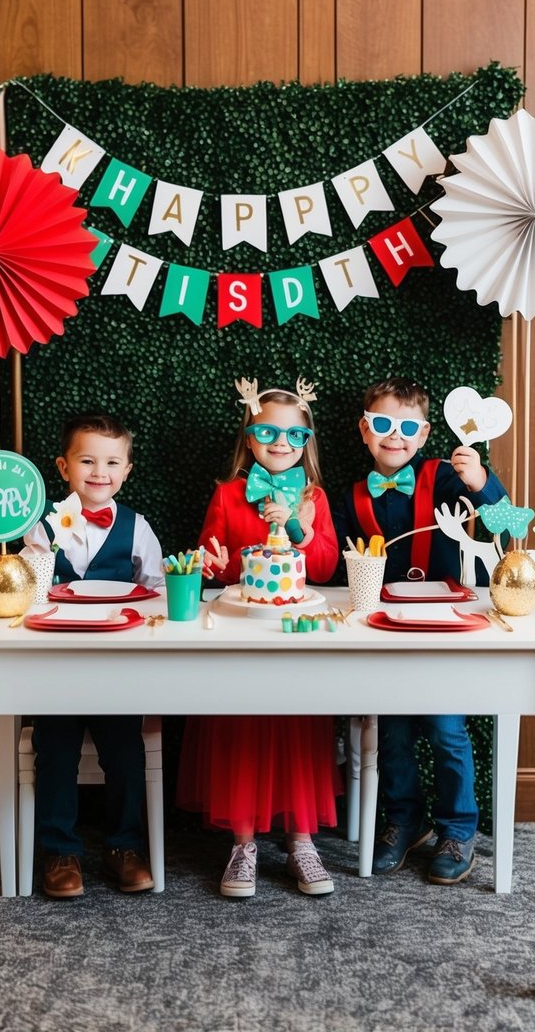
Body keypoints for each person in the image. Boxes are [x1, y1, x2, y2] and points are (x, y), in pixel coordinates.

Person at [336, 377, 508, 885]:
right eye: (384, 424)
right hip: (383, 629)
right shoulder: (350, 496)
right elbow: (337, 572)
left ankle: (457, 829)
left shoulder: (445, 475)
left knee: (445, 729)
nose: (396, 435)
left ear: (426, 431)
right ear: (365, 430)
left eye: (408, 426)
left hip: (444, 628)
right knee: (389, 732)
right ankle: (403, 820)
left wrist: (480, 481)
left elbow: (504, 521)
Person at [177, 378, 339, 898]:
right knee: (241, 724)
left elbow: (325, 565)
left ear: (306, 441)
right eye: (267, 431)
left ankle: (302, 841)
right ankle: (243, 844)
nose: (280, 442)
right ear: (250, 438)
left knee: (299, 726)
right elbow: (211, 559)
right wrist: (214, 563)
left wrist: (295, 524)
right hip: (239, 633)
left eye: (293, 434)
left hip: (299, 633)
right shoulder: (227, 494)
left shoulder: (315, 498)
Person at [21, 412, 164, 899]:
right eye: (87, 460)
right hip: (54, 668)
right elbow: (25, 588)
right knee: (55, 753)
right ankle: (60, 851)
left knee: (124, 752)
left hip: (116, 668)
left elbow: (159, 591)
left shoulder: (136, 527)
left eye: (111, 462)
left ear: (126, 470)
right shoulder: (40, 527)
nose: (99, 472)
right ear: (64, 467)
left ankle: (125, 846)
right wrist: (29, 559)